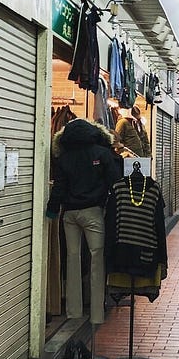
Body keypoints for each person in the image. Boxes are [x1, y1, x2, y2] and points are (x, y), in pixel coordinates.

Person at [45, 118, 122, 324]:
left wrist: (52, 211)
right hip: (93, 212)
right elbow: (115, 182)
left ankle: (73, 312)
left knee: (72, 259)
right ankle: (96, 313)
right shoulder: (102, 153)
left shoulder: (64, 157)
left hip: (69, 214)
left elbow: (59, 187)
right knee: (97, 259)